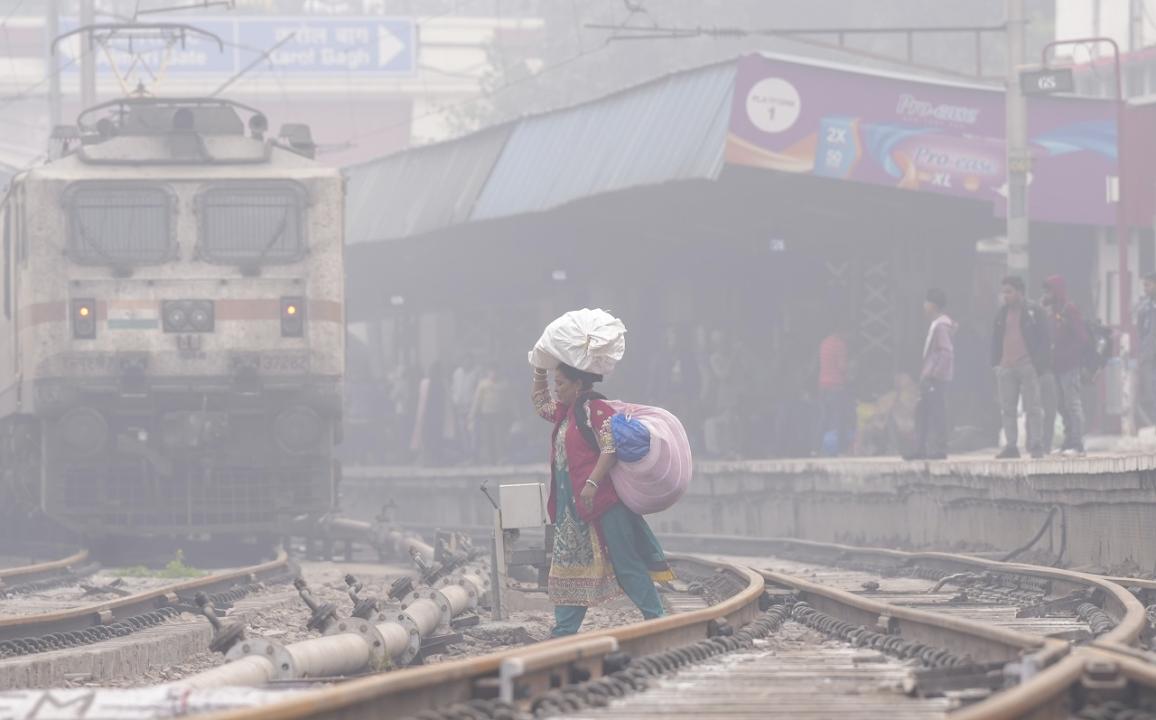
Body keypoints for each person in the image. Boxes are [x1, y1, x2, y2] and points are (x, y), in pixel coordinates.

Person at [532, 362, 673, 636]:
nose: (555, 389)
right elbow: (540, 403)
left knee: (625, 563)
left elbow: (610, 448)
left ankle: (657, 619)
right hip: (571, 510)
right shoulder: (565, 413)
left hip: (603, 503)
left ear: (578, 384)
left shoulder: (596, 410)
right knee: (570, 566)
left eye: (560, 383)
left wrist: (592, 483)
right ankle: (563, 630)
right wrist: (539, 368)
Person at [991, 276, 1050, 459]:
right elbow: (995, 339)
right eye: (1003, 292)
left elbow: (1044, 339)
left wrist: (1038, 364)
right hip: (1006, 367)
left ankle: (1036, 444)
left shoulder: (1034, 311)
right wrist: (996, 363)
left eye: (1009, 291)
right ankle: (1011, 446)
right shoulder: (1001, 313)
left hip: (1027, 365)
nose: (1005, 296)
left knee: (1033, 407)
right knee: (1007, 408)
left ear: (1020, 292)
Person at [907, 289, 956, 460]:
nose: (923, 306)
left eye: (926, 302)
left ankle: (939, 448)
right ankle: (921, 448)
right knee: (923, 412)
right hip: (930, 377)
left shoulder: (940, 326)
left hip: (935, 379)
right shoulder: (937, 324)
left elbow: (946, 352)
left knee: (936, 412)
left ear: (933, 305)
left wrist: (934, 374)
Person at [1042, 276, 1087, 456]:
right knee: (1062, 405)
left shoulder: (1070, 309)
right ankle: (1068, 441)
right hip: (1056, 366)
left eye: (1049, 291)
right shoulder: (1052, 311)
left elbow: (1082, 337)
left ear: (1057, 291)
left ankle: (1078, 444)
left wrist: (1069, 354)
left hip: (1070, 365)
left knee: (1073, 404)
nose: (1046, 294)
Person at [817, 323, 854, 456]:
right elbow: (842, 366)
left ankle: (817, 448)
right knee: (838, 419)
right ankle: (837, 450)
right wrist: (851, 368)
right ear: (843, 331)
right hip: (836, 387)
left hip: (822, 386)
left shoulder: (824, 343)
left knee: (823, 418)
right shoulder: (840, 345)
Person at [470, 365, 507, 464]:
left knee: (499, 437)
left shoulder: (504, 384)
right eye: (491, 371)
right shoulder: (483, 384)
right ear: (487, 372)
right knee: (488, 437)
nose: (493, 373)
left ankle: (500, 458)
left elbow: (509, 400)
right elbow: (477, 400)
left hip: (499, 414)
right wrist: (472, 415)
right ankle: (490, 459)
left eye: (495, 371)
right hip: (486, 415)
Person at [1135, 272, 1156, 427]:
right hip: (1148, 356)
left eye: (1148, 285)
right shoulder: (1145, 306)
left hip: (1150, 354)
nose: (1145, 289)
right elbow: (1142, 330)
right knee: (1149, 392)